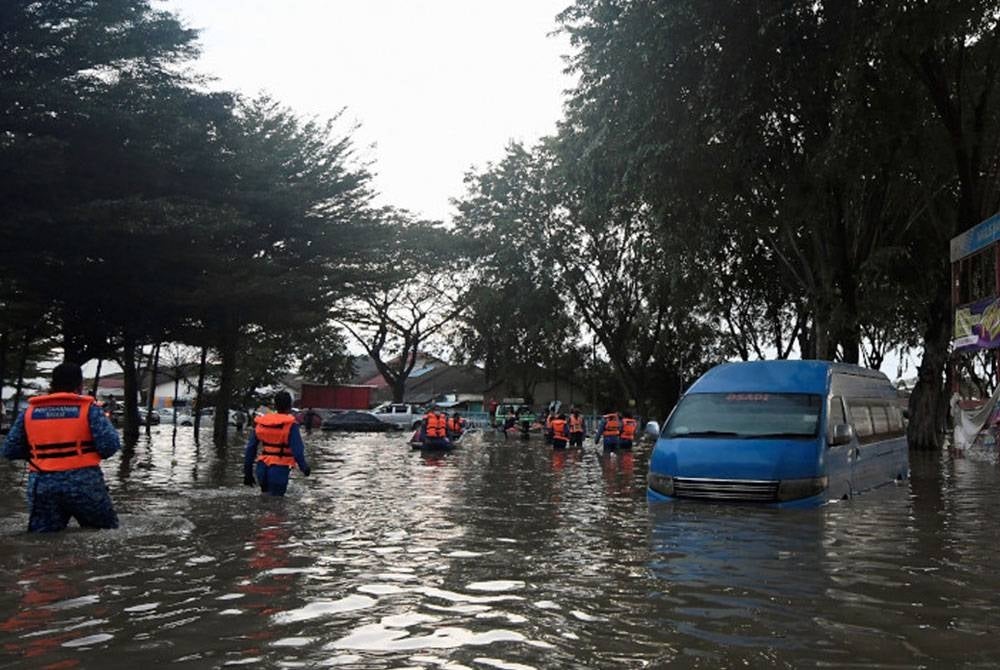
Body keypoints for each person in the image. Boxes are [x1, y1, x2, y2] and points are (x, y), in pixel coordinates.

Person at [2, 362, 120, 532]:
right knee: (105, 534)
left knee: (42, 540)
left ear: (52, 384)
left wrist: (41, 454)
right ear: (79, 385)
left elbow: (9, 450)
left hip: (42, 484)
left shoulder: (29, 412)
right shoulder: (89, 410)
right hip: (84, 482)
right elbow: (110, 446)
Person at [244, 391, 310, 496]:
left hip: (262, 469)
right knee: (278, 506)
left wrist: (247, 472)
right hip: (279, 470)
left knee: (265, 499)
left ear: (275, 405)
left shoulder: (262, 423)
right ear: (290, 406)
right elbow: (297, 450)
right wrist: (304, 468)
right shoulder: (291, 425)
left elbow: (250, 448)